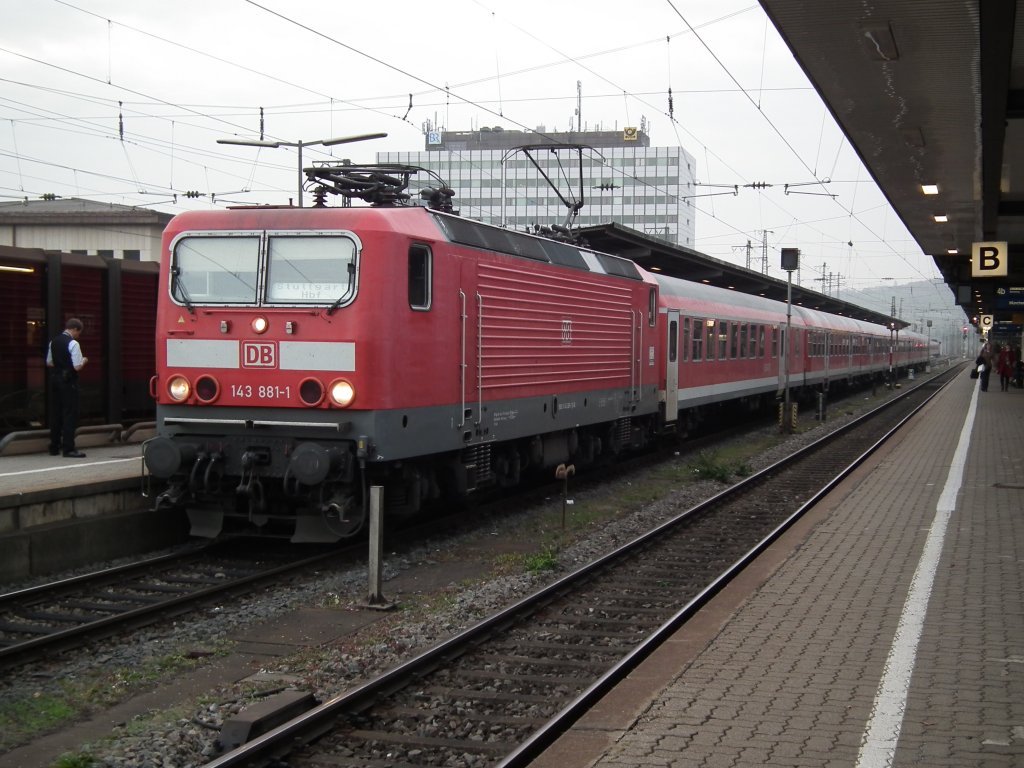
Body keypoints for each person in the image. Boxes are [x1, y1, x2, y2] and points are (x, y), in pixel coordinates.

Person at [46, 317, 89, 458]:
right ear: (75, 329)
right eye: (79, 333)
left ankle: (54, 446)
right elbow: (77, 366)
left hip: (55, 380)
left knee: (56, 413)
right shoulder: (73, 343)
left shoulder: (54, 342)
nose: (78, 336)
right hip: (68, 381)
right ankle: (68, 448)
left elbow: (49, 363)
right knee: (70, 413)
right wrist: (84, 360)